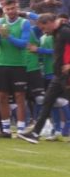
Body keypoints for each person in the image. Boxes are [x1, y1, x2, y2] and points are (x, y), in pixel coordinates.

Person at [19, 13, 70, 143]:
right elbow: (41, 18)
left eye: (43, 28)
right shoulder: (57, 30)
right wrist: (26, 13)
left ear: (50, 23)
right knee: (47, 101)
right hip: (58, 75)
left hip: (66, 74)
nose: (43, 31)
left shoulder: (65, 31)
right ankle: (35, 133)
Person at [0, 0, 33, 137]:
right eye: (8, 9)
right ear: (4, 9)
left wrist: (8, 36)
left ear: (17, 7)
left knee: (19, 96)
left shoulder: (24, 23)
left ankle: (21, 128)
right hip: (2, 63)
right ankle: (6, 129)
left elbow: (23, 44)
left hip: (18, 64)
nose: (10, 11)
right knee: (2, 96)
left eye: (13, 8)